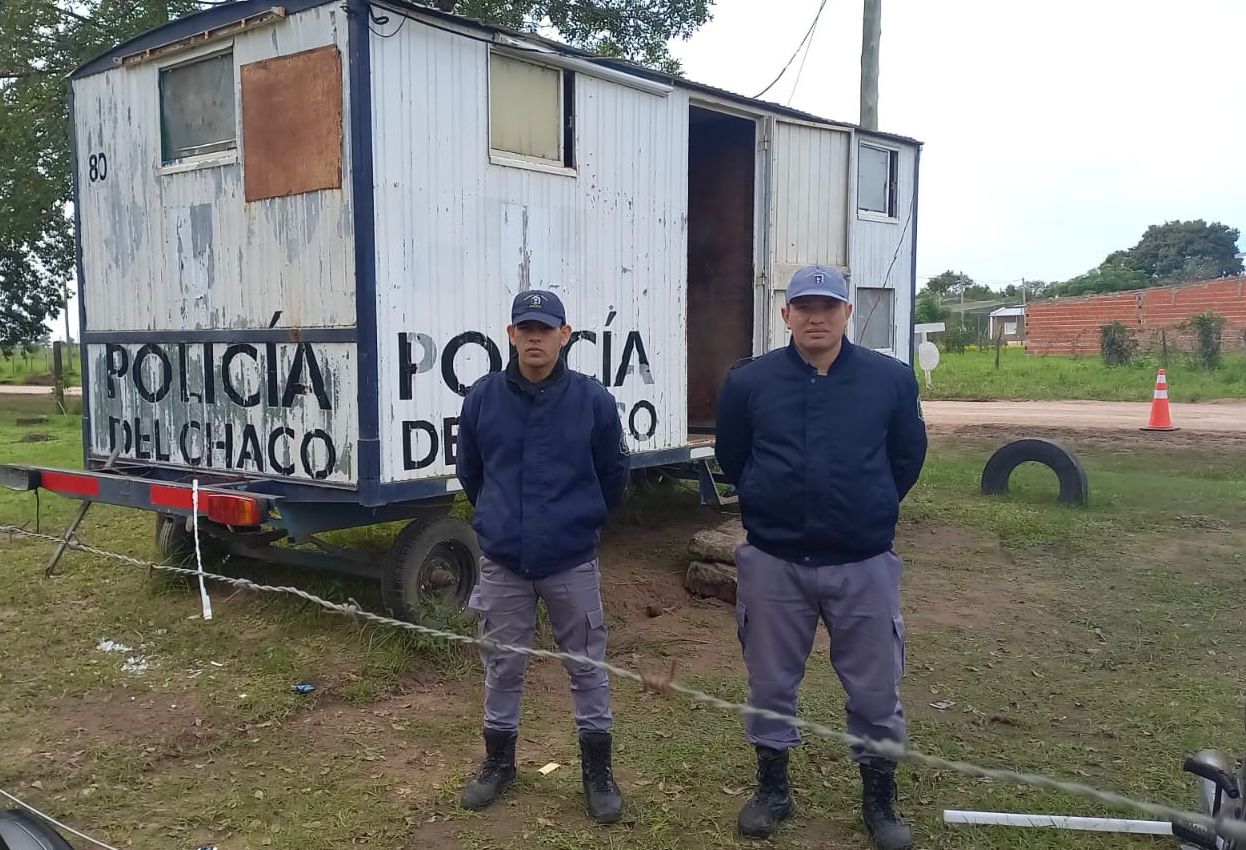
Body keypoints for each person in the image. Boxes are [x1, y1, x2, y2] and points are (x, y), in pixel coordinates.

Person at [714, 265, 928, 849]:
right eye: (803, 306)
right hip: (774, 562)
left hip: (862, 564)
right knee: (770, 682)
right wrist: (769, 497)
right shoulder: (749, 383)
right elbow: (734, 458)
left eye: (827, 306)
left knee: (875, 688)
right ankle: (773, 790)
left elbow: (906, 458)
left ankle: (879, 800)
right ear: (784, 314)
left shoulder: (889, 380)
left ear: (846, 313)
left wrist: (869, 505)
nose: (815, 316)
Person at [454, 289, 630, 823]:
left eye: (544, 329)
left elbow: (613, 474)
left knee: (586, 666)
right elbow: (472, 472)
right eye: (524, 329)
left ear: (564, 335)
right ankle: (498, 764)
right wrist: (501, 521)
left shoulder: (592, 400)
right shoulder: (482, 399)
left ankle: (597, 773)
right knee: (503, 665)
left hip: (570, 560)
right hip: (504, 561)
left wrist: (580, 519)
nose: (535, 338)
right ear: (510, 335)